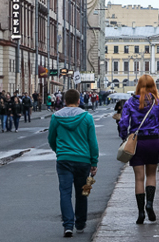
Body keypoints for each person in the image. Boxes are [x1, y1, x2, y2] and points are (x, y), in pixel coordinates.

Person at [118, 74, 159, 225]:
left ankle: (140, 212)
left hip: (137, 143)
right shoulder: (158, 103)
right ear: (153, 86)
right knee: (151, 175)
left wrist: (124, 137)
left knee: (139, 178)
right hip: (153, 142)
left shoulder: (130, 103)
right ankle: (150, 205)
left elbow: (123, 122)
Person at [49, 88, 99, 237]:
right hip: (83, 160)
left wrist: (59, 151)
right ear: (79, 101)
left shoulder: (56, 117)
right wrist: (94, 161)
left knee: (65, 192)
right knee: (82, 192)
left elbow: (51, 139)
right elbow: (92, 142)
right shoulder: (87, 117)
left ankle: (68, 225)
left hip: (64, 159)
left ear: (64, 101)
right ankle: (81, 223)